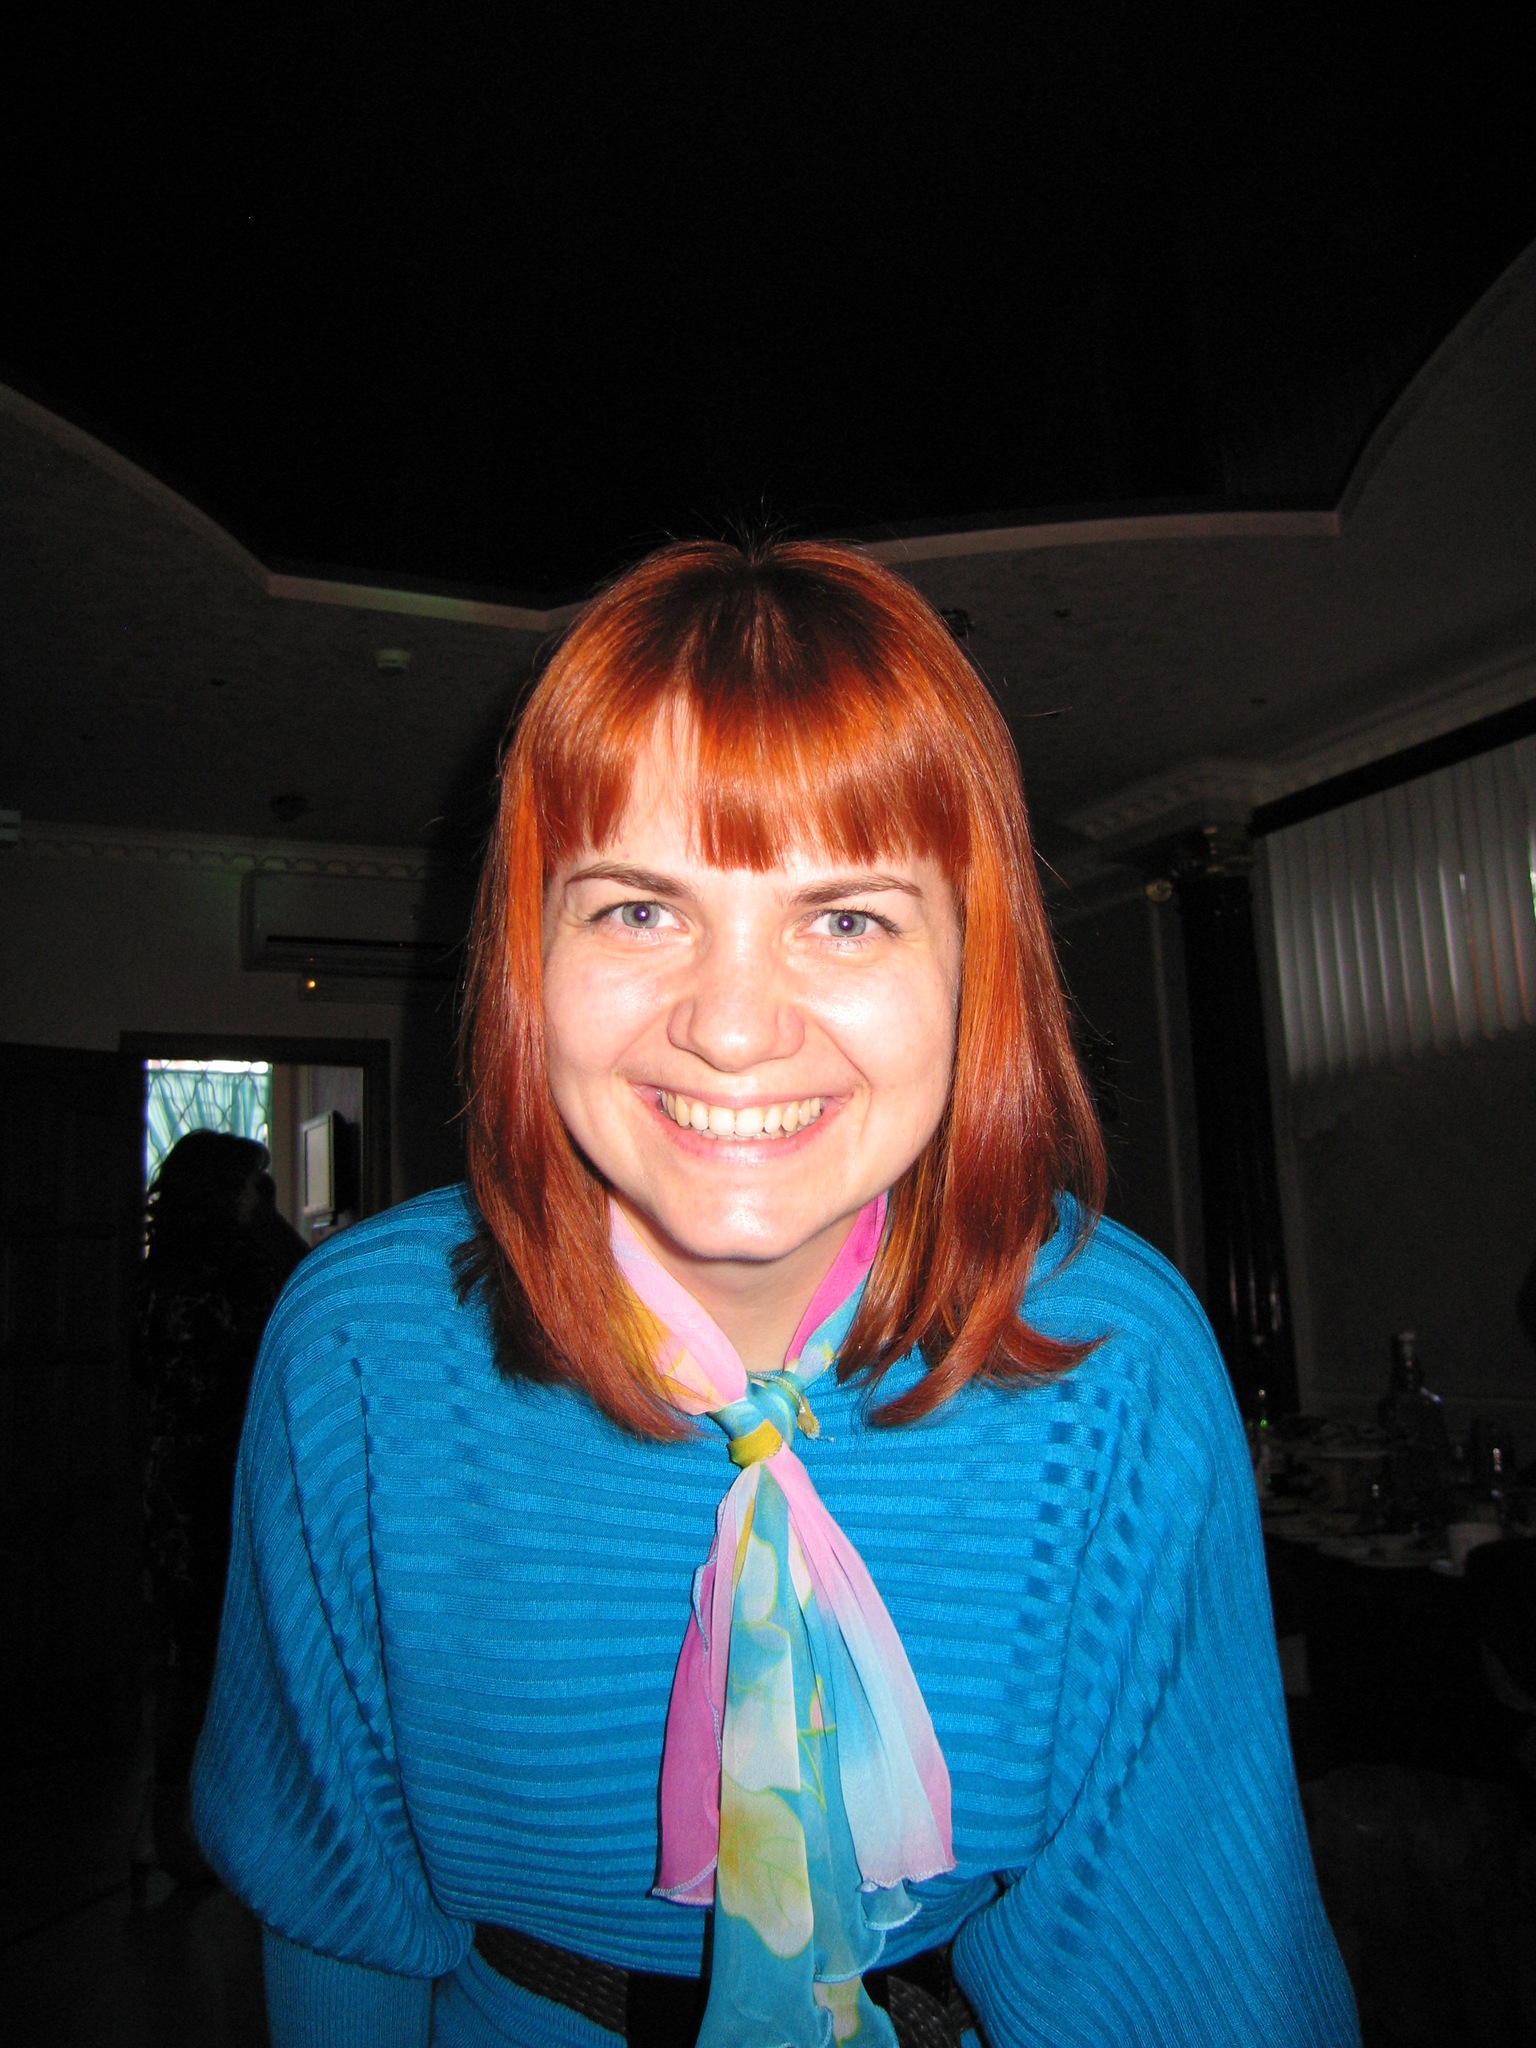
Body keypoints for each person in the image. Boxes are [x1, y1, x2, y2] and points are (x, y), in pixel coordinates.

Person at [193, 540, 1358, 2046]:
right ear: (529, 951)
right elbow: (334, 1915)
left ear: (974, 966)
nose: (733, 1029)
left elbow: (1184, 1968)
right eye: (638, 909)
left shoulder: (1113, 1364)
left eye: (846, 916)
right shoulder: (359, 1354)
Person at [134, 1128, 307, 1882]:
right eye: (247, 1186)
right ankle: (193, 1830)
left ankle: (168, 1824)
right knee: (223, 1657)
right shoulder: (241, 1268)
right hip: (221, 1480)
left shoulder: (157, 1268)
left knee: (191, 1654)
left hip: (169, 1477)